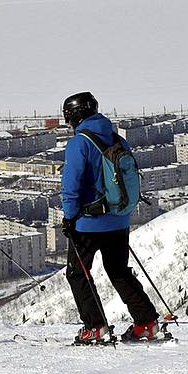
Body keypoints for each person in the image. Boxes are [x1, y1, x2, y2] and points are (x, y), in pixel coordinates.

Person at [60, 91, 159, 344]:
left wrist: (69, 217)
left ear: (74, 116)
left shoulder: (79, 143)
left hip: (88, 222)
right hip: (119, 218)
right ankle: (146, 323)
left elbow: (71, 185)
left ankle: (95, 327)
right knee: (119, 271)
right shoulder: (117, 139)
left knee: (77, 273)